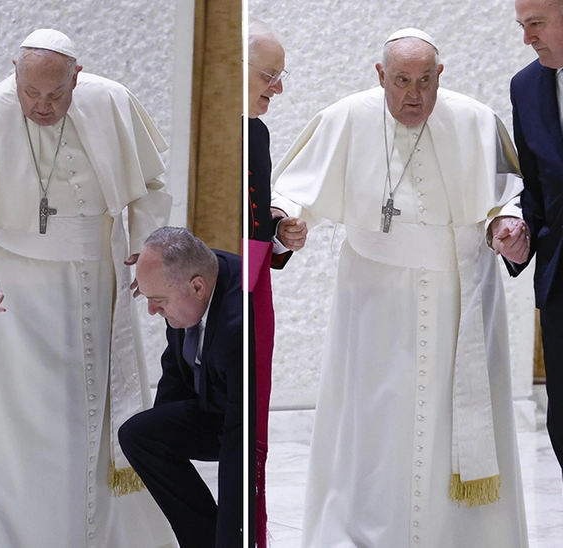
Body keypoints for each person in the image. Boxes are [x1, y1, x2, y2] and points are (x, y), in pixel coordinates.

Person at [271, 28, 528, 547]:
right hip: (375, 303)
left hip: (463, 297)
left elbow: (509, 196)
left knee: (454, 424)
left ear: (441, 76)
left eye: (425, 81)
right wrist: (285, 223)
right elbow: (291, 192)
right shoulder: (347, 117)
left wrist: (507, 226)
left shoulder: (477, 120)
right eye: (402, 81)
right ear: (380, 76)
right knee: (377, 426)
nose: (414, 94)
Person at [0, 28, 177, 547]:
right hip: (16, 295)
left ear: (76, 79)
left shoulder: (111, 103)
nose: (40, 106)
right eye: (29, 93)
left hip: (98, 281)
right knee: (25, 431)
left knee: (91, 421)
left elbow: (150, 184)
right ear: (13, 73)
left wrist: (147, 240)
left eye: (55, 95)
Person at [118, 226, 242, 548]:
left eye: (157, 300)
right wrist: (164, 442)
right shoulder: (189, 283)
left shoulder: (236, 326)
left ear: (197, 287)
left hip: (241, 421)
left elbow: (237, 446)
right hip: (210, 404)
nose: (151, 310)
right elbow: (175, 366)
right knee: (140, 434)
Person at [245, 19, 303, 548]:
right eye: (269, 75)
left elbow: (254, 217)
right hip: (210, 292)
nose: (277, 88)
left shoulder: (256, 131)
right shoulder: (206, 132)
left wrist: (281, 229)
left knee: (252, 425)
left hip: (253, 286)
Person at [509, 0, 563, 474]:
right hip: (560, 280)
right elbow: (533, 185)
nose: (528, 37)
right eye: (523, 26)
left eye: (537, 24)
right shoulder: (525, 87)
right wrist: (513, 229)